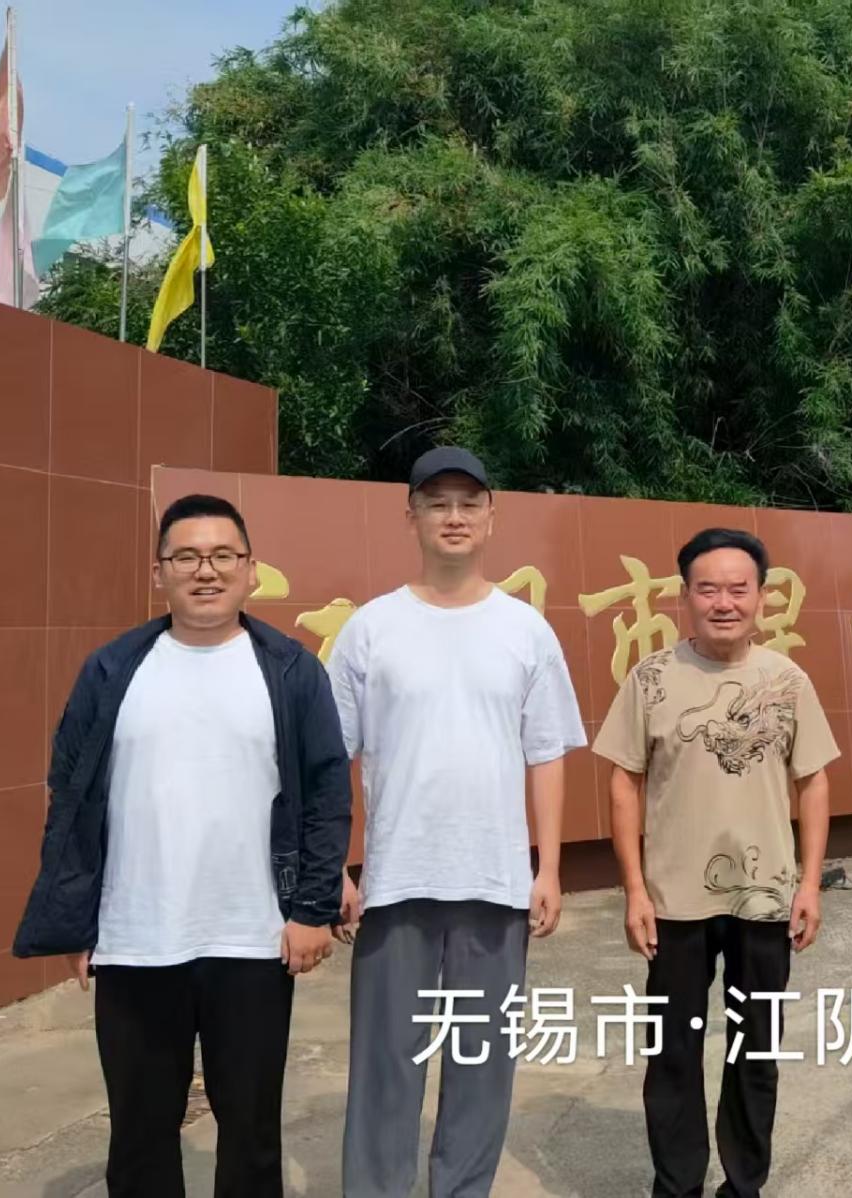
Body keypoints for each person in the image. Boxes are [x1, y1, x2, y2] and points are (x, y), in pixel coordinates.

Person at [12, 493, 353, 1198]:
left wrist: (312, 909)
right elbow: (69, 797)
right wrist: (76, 920)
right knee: (140, 1136)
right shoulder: (112, 671)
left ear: (250, 570)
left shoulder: (290, 671)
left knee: (251, 1135)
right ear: (158, 571)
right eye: (187, 556)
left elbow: (327, 794)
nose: (206, 570)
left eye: (224, 555)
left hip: (253, 940)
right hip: (136, 940)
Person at [330, 446, 588, 1198]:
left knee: (482, 1060)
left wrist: (548, 868)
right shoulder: (371, 628)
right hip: (395, 882)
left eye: (468, 503)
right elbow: (332, 756)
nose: (453, 516)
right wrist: (337, 867)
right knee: (386, 1063)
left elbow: (545, 754)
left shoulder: (525, 630)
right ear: (410, 515)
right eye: (437, 502)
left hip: (495, 881)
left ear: (491, 518)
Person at [593, 527, 839, 1198]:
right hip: (673, 900)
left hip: (766, 898)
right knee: (673, 1051)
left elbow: (814, 781)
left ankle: (743, 1185)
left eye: (738, 589)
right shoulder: (651, 679)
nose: (723, 603)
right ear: (685, 597)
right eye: (708, 589)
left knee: (755, 1048)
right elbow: (624, 782)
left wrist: (810, 884)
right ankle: (676, 1186)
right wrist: (634, 889)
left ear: (761, 597)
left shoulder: (786, 680)